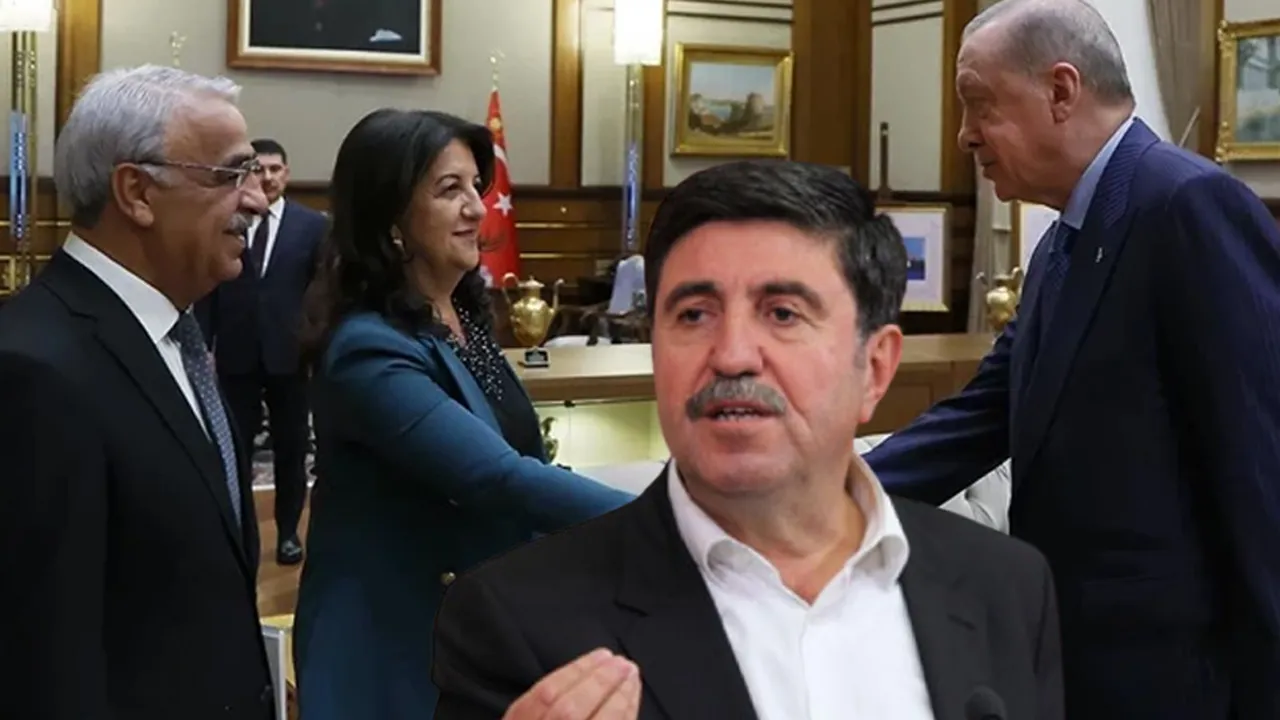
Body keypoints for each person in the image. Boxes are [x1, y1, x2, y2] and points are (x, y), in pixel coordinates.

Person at [432, 160, 1064, 720]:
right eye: (694, 315)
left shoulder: (1005, 587)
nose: (732, 354)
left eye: (783, 314)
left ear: (874, 367)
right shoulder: (517, 622)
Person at [862, 2, 1280, 718]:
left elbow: (1261, 460)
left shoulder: (1187, 205)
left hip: (1181, 677)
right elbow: (982, 417)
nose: (964, 134)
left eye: (978, 104)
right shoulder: (1063, 242)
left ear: (1061, 90)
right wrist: (822, 495)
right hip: (1078, 661)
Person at [291, 108, 635, 720]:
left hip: (474, 623)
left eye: (477, 186)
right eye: (450, 190)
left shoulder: (462, 320)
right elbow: (495, 477)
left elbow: (523, 455)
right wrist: (658, 521)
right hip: (391, 644)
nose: (477, 208)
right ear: (391, 218)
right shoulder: (368, 347)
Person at [0, 65, 275, 718]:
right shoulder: (33, 370)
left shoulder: (176, 336)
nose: (257, 201)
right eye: (231, 175)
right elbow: (43, 655)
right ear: (137, 192)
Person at [196, 137, 327, 566]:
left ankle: (288, 532)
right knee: (234, 446)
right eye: (259, 169)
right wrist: (204, 343)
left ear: (286, 174)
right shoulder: (228, 217)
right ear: (248, 173)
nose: (267, 177)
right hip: (236, 354)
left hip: (291, 356)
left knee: (292, 450)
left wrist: (317, 344)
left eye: (275, 169)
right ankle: (237, 531)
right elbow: (210, 286)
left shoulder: (312, 226)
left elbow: (321, 291)